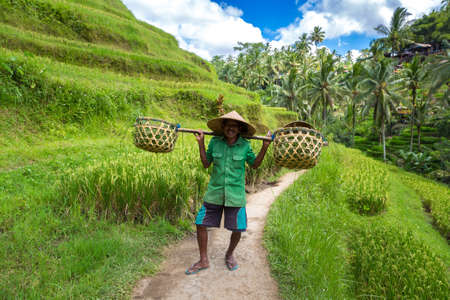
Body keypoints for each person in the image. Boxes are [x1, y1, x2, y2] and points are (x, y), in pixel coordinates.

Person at [185, 111, 272, 275]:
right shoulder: (215, 143)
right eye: (228, 125)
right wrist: (201, 143)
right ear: (223, 127)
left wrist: (265, 147)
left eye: (234, 126)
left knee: (238, 228)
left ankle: (230, 254)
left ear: (239, 129)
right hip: (215, 192)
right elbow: (205, 163)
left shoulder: (245, 146)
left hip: (235, 195)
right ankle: (203, 260)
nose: (231, 128)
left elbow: (254, 164)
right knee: (200, 223)